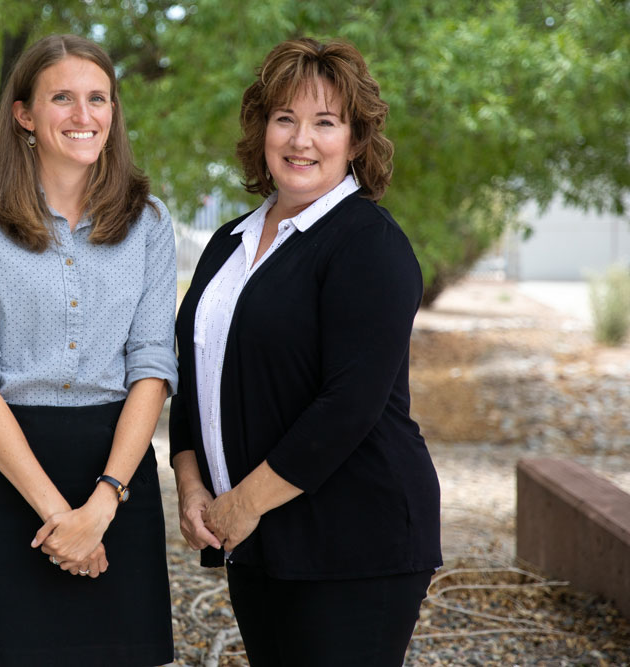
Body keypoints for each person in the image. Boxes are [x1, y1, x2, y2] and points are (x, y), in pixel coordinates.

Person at [169, 37, 442, 666]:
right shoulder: (226, 245)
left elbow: (348, 405)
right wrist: (191, 487)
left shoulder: (368, 245)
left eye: (326, 122)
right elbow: (193, 375)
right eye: (285, 118)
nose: (302, 140)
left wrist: (240, 503)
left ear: (355, 140)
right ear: (262, 130)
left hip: (355, 540)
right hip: (257, 540)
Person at [0, 34, 176, 666]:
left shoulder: (149, 222)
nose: (83, 115)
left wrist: (101, 506)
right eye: (62, 98)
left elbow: (152, 366)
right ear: (24, 114)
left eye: (98, 98)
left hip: (115, 473)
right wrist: (61, 519)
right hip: (9, 472)